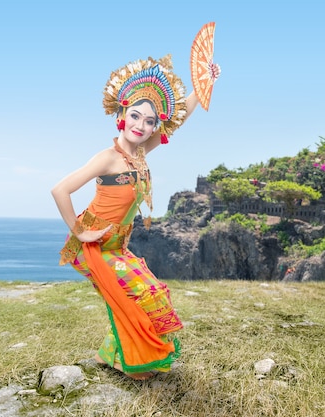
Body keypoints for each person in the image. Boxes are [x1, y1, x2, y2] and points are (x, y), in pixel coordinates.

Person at [51, 54, 220, 380]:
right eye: (135, 116)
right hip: (95, 248)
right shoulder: (108, 158)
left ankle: (113, 356)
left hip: (117, 246)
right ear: (122, 114)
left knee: (148, 293)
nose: (141, 126)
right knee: (138, 294)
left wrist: (203, 85)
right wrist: (80, 232)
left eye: (149, 121)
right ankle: (130, 360)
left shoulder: (140, 153)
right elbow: (60, 190)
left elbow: (179, 120)